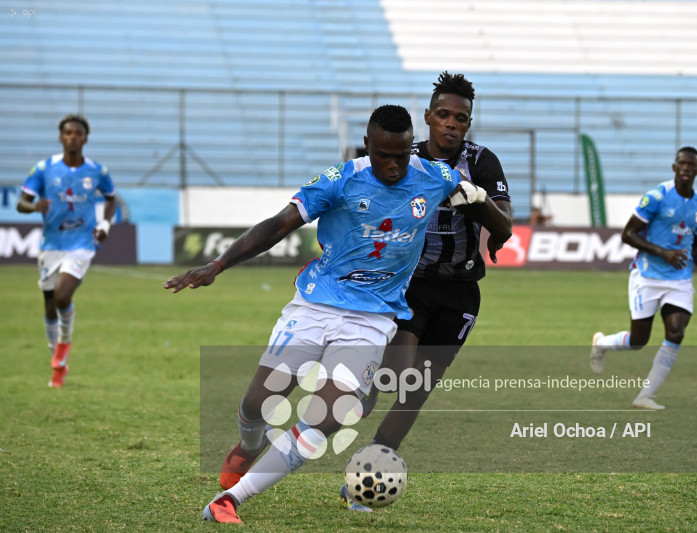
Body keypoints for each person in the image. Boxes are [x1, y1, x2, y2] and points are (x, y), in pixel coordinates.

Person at [164, 105, 492, 524]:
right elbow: (278, 225)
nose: (393, 166)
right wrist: (217, 265)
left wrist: (490, 215)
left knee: (325, 418)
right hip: (314, 306)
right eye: (383, 155)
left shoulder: (435, 176)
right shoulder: (341, 179)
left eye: (401, 155)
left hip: (371, 320)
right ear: (367, 145)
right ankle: (249, 446)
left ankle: (230, 499)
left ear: (412, 146)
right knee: (259, 403)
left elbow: (486, 206)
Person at [340, 72, 513, 511]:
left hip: (461, 292)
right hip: (410, 284)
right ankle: (370, 384)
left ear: (468, 123)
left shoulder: (482, 162)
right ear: (428, 117)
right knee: (398, 373)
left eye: (461, 118)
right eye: (444, 115)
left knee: (416, 390)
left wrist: (476, 201)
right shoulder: (405, 157)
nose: (452, 123)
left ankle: (369, 471)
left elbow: (505, 223)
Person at [589, 146, 697, 409]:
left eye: (691, 165)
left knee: (676, 332)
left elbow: (696, 246)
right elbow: (628, 234)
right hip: (647, 276)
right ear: (674, 167)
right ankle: (601, 343)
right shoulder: (656, 197)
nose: (686, 168)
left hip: (679, 280)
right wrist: (663, 252)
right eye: (682, 163)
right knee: (638, 341)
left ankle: (645, 396)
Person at [16, 114, 116, 388]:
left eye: (78, 133)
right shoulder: (44, 169)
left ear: (85, 138)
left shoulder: (97, 171)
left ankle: (61, 353)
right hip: (51, 245)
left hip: (82, 243)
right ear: (61, 137)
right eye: (68, 133)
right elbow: (21, 203)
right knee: (50, 306)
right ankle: (58, 363)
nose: (73, 137)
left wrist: (105, 224)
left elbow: (111, 199)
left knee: (62, 296)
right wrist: (35, 206)